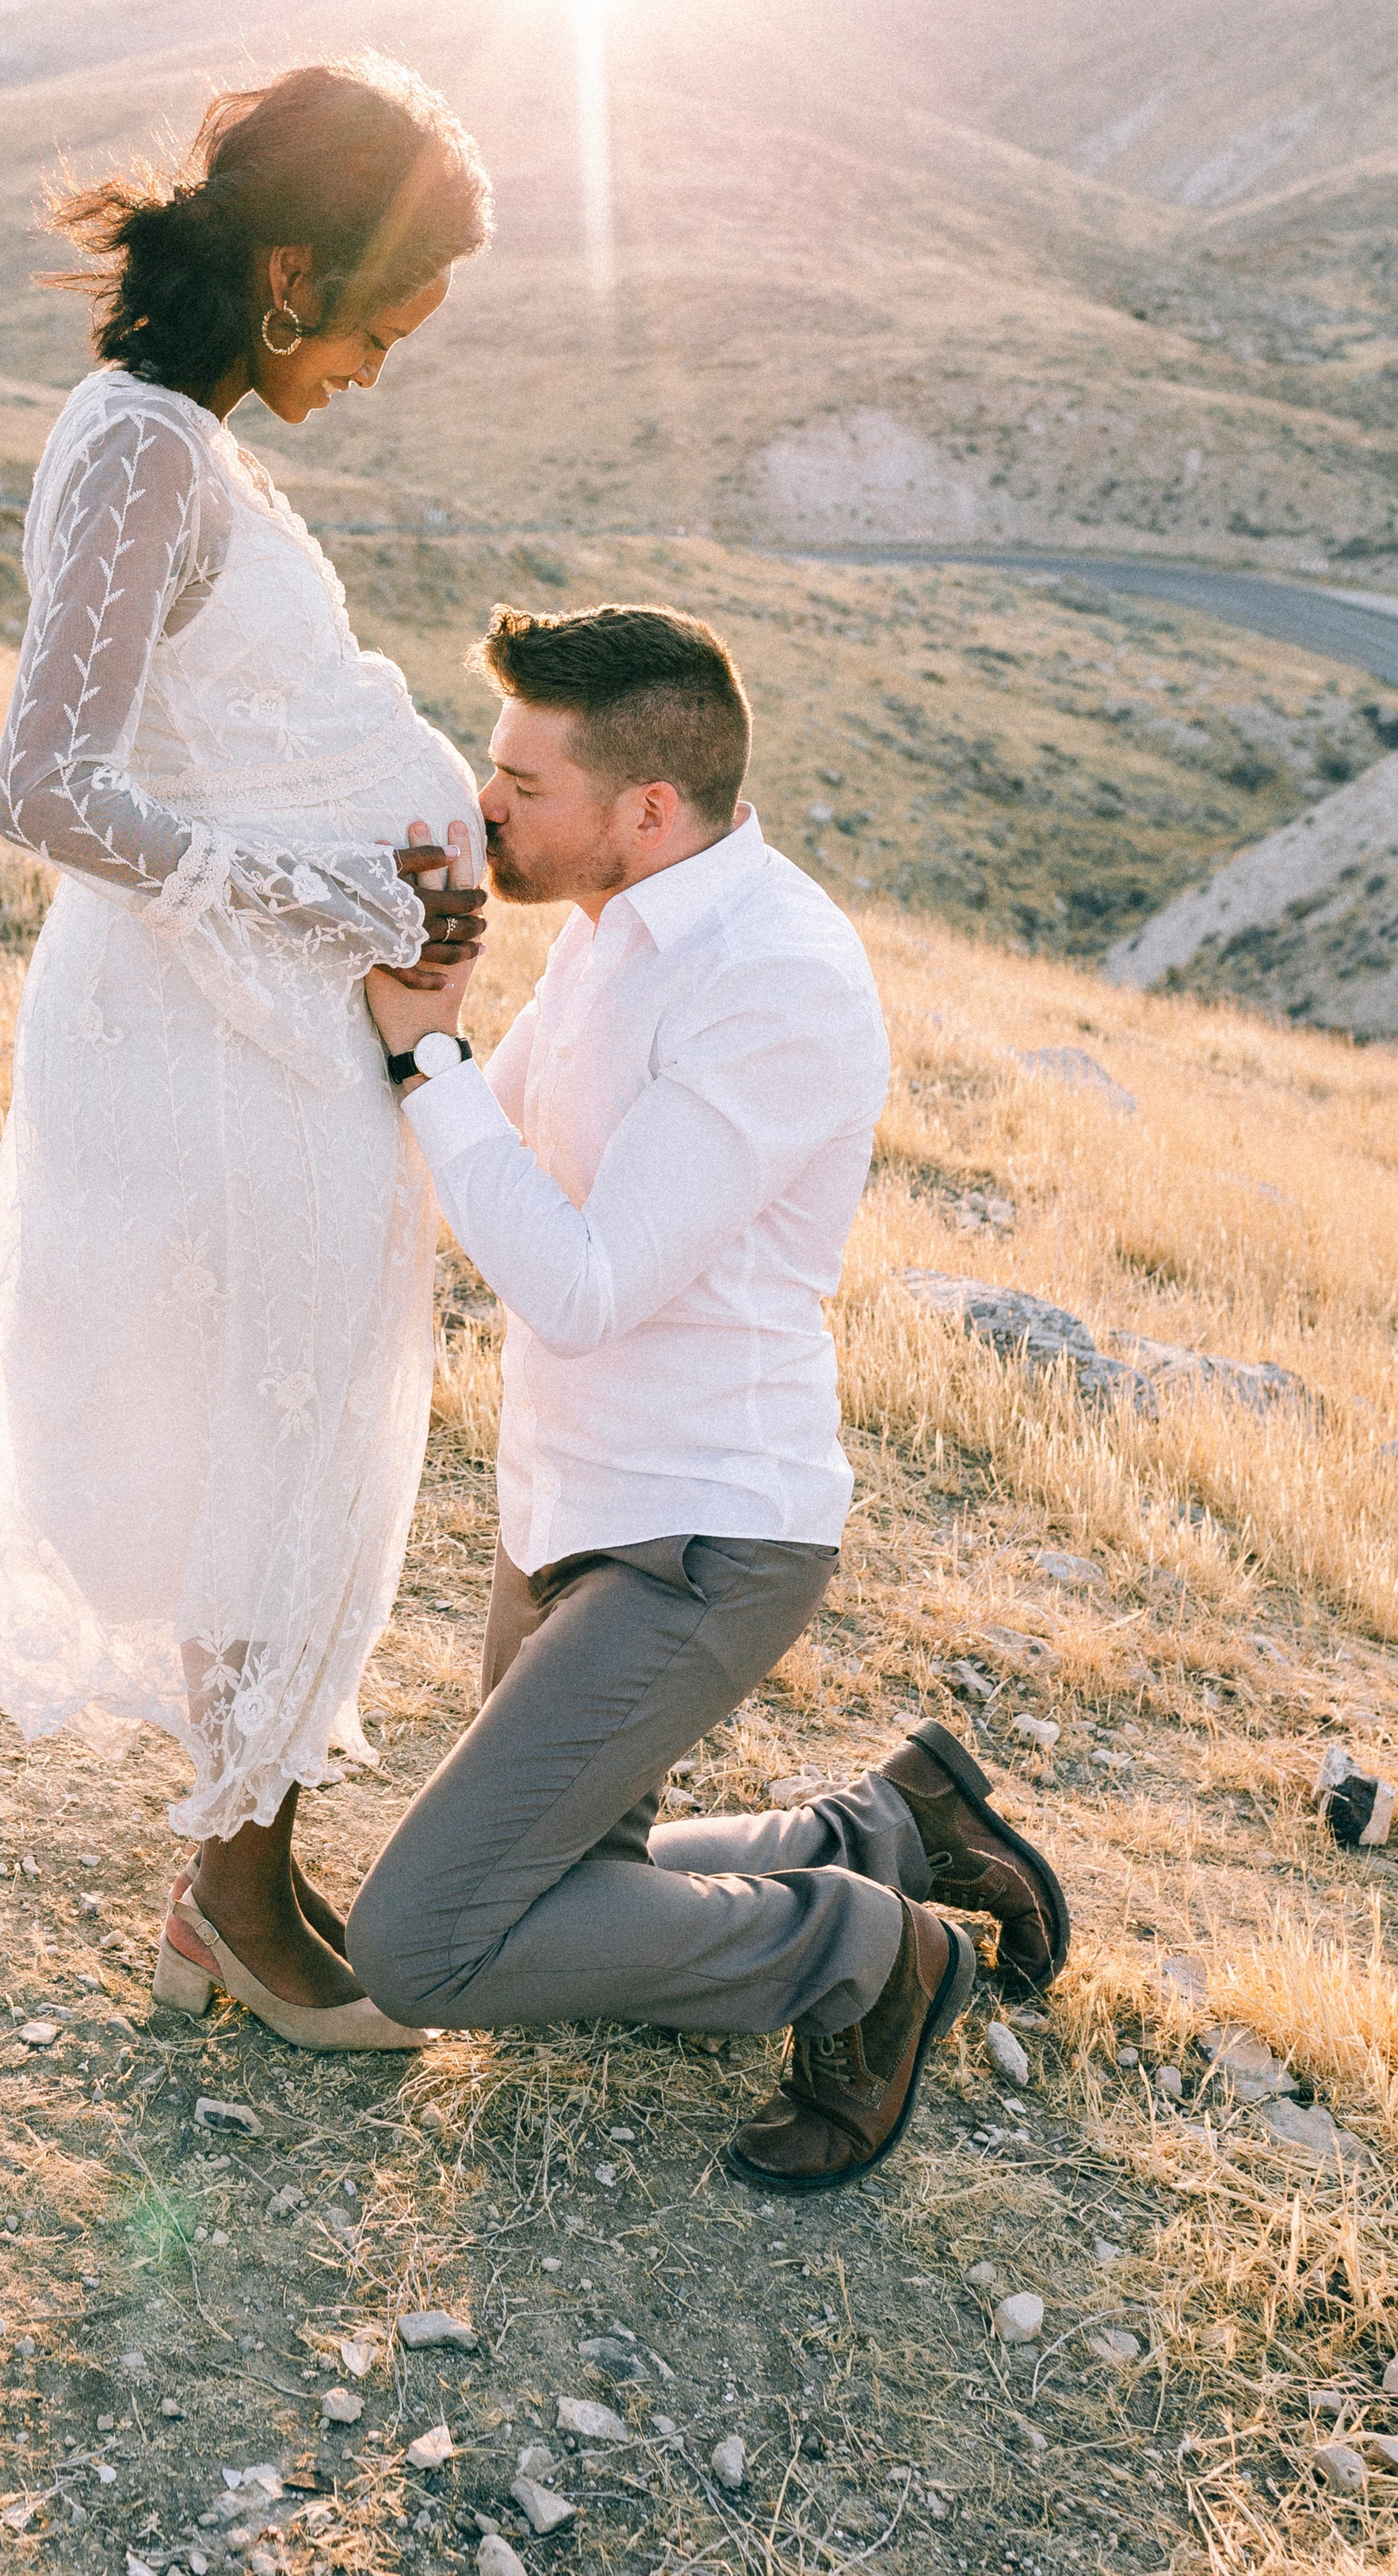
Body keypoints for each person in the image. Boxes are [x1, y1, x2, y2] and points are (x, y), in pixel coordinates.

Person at [350, 602, 1068, 2184]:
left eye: (520, 786)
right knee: (548, 1898)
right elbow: (509, 1139)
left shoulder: (775, 980)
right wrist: (440, 1013)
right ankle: (882, 1831)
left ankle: (866, 1953)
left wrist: (427, 1065)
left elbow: (584, 1282)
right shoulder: (615, 923)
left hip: (703, 1537)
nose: (488, 812)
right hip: (566, 1500)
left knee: (424, 1950)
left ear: (644, 809)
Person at [0, 55, 495, 2050]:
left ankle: (243, 1864)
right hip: (197, 1041)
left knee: (297, 1416)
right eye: (374, 325)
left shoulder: (190, 445)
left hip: (262, 1032)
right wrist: (345, 906)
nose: (372, 369)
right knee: (270, 1425)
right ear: (290, 275)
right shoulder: (136, 454)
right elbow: (43, 785)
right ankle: (234, 1891)